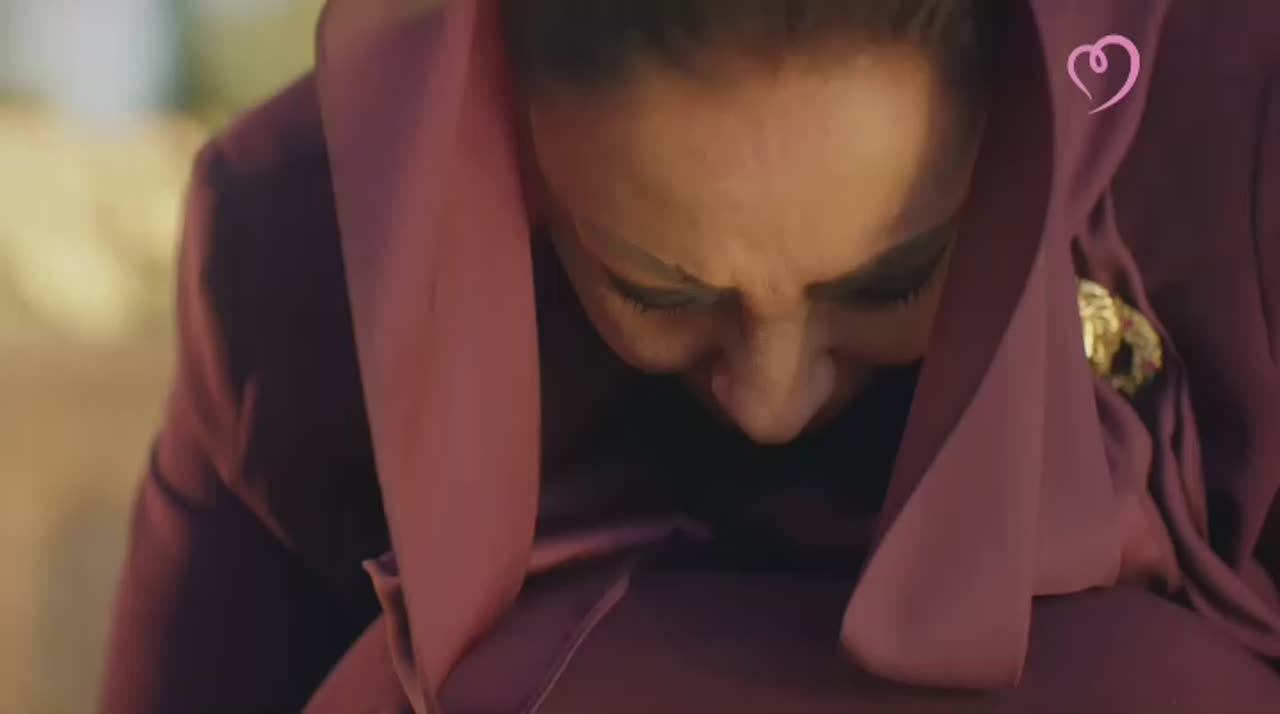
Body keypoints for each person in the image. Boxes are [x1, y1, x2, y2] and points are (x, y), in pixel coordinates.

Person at [100, 0, 1280, 712]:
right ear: (501, 125)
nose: (771, 402)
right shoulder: (311, 253)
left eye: (887, 282)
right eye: (659, 290)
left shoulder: (1241, 160)